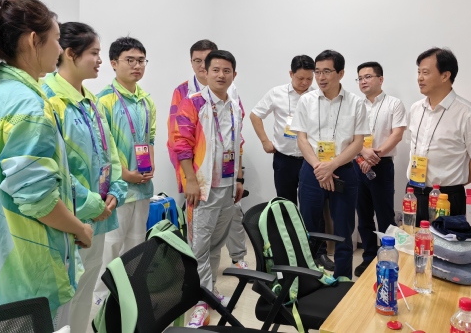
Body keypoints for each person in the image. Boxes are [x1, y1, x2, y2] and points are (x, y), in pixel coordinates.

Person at [0, 0, 93, 327]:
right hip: (27, 264)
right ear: (33, 40)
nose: (60, 49)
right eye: (56, 39)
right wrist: (79, 227)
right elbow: (37, 198)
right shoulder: (28, 106)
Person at [42, 22, 127, 332]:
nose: (100, 60)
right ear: (69, 53)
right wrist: (92, 203)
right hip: (67, 218)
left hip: (99, 216)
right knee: (63, 299)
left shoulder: (90, 99)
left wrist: (115, 189)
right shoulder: (48, 99)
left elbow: (110, 152)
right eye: (94, 53)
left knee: (86, 291)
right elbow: (52, 168)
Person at [169, 50, 245, 328]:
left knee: (215, 245)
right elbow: (181, 144)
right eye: (216, 70)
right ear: (206, 72)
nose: (221, 75)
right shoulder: (193, 103)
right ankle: (200, 304)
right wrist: (190, 180)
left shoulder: (235, 105)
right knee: (199, 248)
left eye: (227, 71)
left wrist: (239, 179)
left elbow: (238, 142)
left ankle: (208, 293)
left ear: (234, 74)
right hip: (203, 187)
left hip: (228, 186)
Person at [291, 49, 369, 279]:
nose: (320, 77)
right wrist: (320, 167)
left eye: (327, 71)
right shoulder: (306, 101)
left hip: (343, 171)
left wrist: (331, 166)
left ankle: (343, 280)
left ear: (341, 73)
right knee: (308, 227)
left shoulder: (356, 103)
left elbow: (358, 142)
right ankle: (308, 280)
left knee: (343, 230)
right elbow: (302, 138)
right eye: (317, 72)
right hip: (312, 171)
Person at [94, 36, 157, 304]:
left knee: (136, 245)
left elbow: (150, 138)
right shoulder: (103, 100)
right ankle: (101, 301)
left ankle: (129, 296)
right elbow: (102, 147)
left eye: (141, 60)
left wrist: (150, 164)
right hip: (116, 190)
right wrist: (124, 174)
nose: (137, 66)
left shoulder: (146, 100)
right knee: (110, 247)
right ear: (113, 63)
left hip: (142, 187)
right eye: (129, 60)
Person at [406, 48, 471, 225]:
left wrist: (453, 183)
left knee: (444, 242)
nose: (419, 78)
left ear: (445, 76)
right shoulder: (415, 109)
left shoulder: (468, 113)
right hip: (413, 191)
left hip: (446, 197)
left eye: (425, 72)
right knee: (413, 239)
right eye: (418, 72)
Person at [353, 61, 407, 277]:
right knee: (363, 214)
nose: (363, 81)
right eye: (360, 78)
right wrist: (363, 153)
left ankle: (388, 258)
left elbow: (397, 133)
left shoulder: (394, 104)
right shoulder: (356, 105)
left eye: (368, 77)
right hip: (357, 163)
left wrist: (376, 154)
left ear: (380, 79)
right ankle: (368, 257)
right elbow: (350, 135)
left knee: (385, 215)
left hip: (382, 165)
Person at [250, 55, 315, 204]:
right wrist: (265, 141)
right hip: (284, 159)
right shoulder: (276, 93)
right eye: (300, 78)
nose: (305, 82)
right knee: (286, 203)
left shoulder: (316, 96)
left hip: (310, 159)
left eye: (309, 79)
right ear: (291, 74)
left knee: (310, 203)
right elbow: (255, 115)